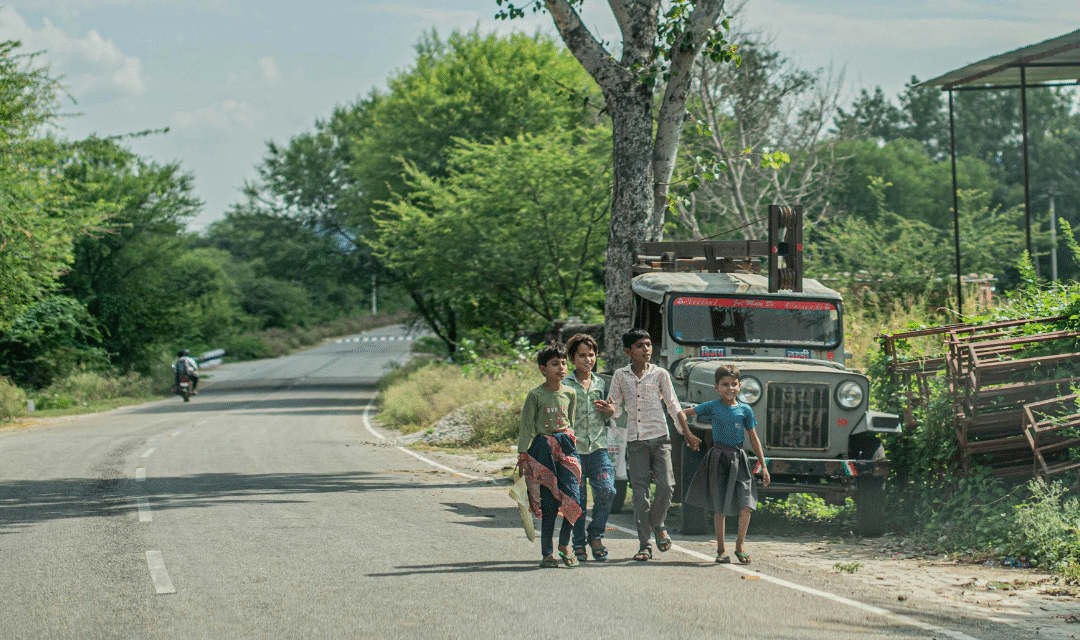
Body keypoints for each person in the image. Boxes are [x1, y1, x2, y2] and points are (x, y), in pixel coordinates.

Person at [595, 329, 701, 562]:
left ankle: (658, 524)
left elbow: (673, 406)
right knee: (640, 494)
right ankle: (645, 544)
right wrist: (610, 410)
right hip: (635, 441)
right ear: (628, 351)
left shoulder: (660, 374)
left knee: (666, 486)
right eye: (640, 346)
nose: (647, 349)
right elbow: (618, 407)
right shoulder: (621, 376)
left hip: (660, 438)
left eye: (649, 344)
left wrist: (687, 434)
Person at [681, 364, 771, 564]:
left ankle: (740, 544)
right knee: (719, 506)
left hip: (739, 459)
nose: (730, 388)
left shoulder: (745, 410)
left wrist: (763, 466)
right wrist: (689, 435)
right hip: (718, 457)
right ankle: (721, 549)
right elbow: (682, 413)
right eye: (725, 384)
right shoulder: (712, 406)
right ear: (716, 387)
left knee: (746, 503)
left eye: (733, 384)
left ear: (739, 386)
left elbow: (754, 439)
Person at [516, 342, 582, 568]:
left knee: (575, 499)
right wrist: (522, 456)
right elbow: (526, 427)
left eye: (564, 363)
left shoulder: (571, 393)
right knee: (550, 504)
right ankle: (547, 553)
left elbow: (571, 423)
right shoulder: (535, 395)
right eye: (555, 364)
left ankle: (564, 544)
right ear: (544, 369)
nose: (561, 368)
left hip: (566, 449)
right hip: (542, 450)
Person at [563, 333, 615, 562]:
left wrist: (610, 412)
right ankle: (578, 543)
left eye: (591, 354)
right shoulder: (564, 385)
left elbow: (609, 414)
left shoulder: (601, 383)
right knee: (578, 500)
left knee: (607, 490)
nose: (588, 359)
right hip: (573, 449)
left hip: (598, 447)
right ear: (573, 358)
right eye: (582, 355)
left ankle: (596, 535)